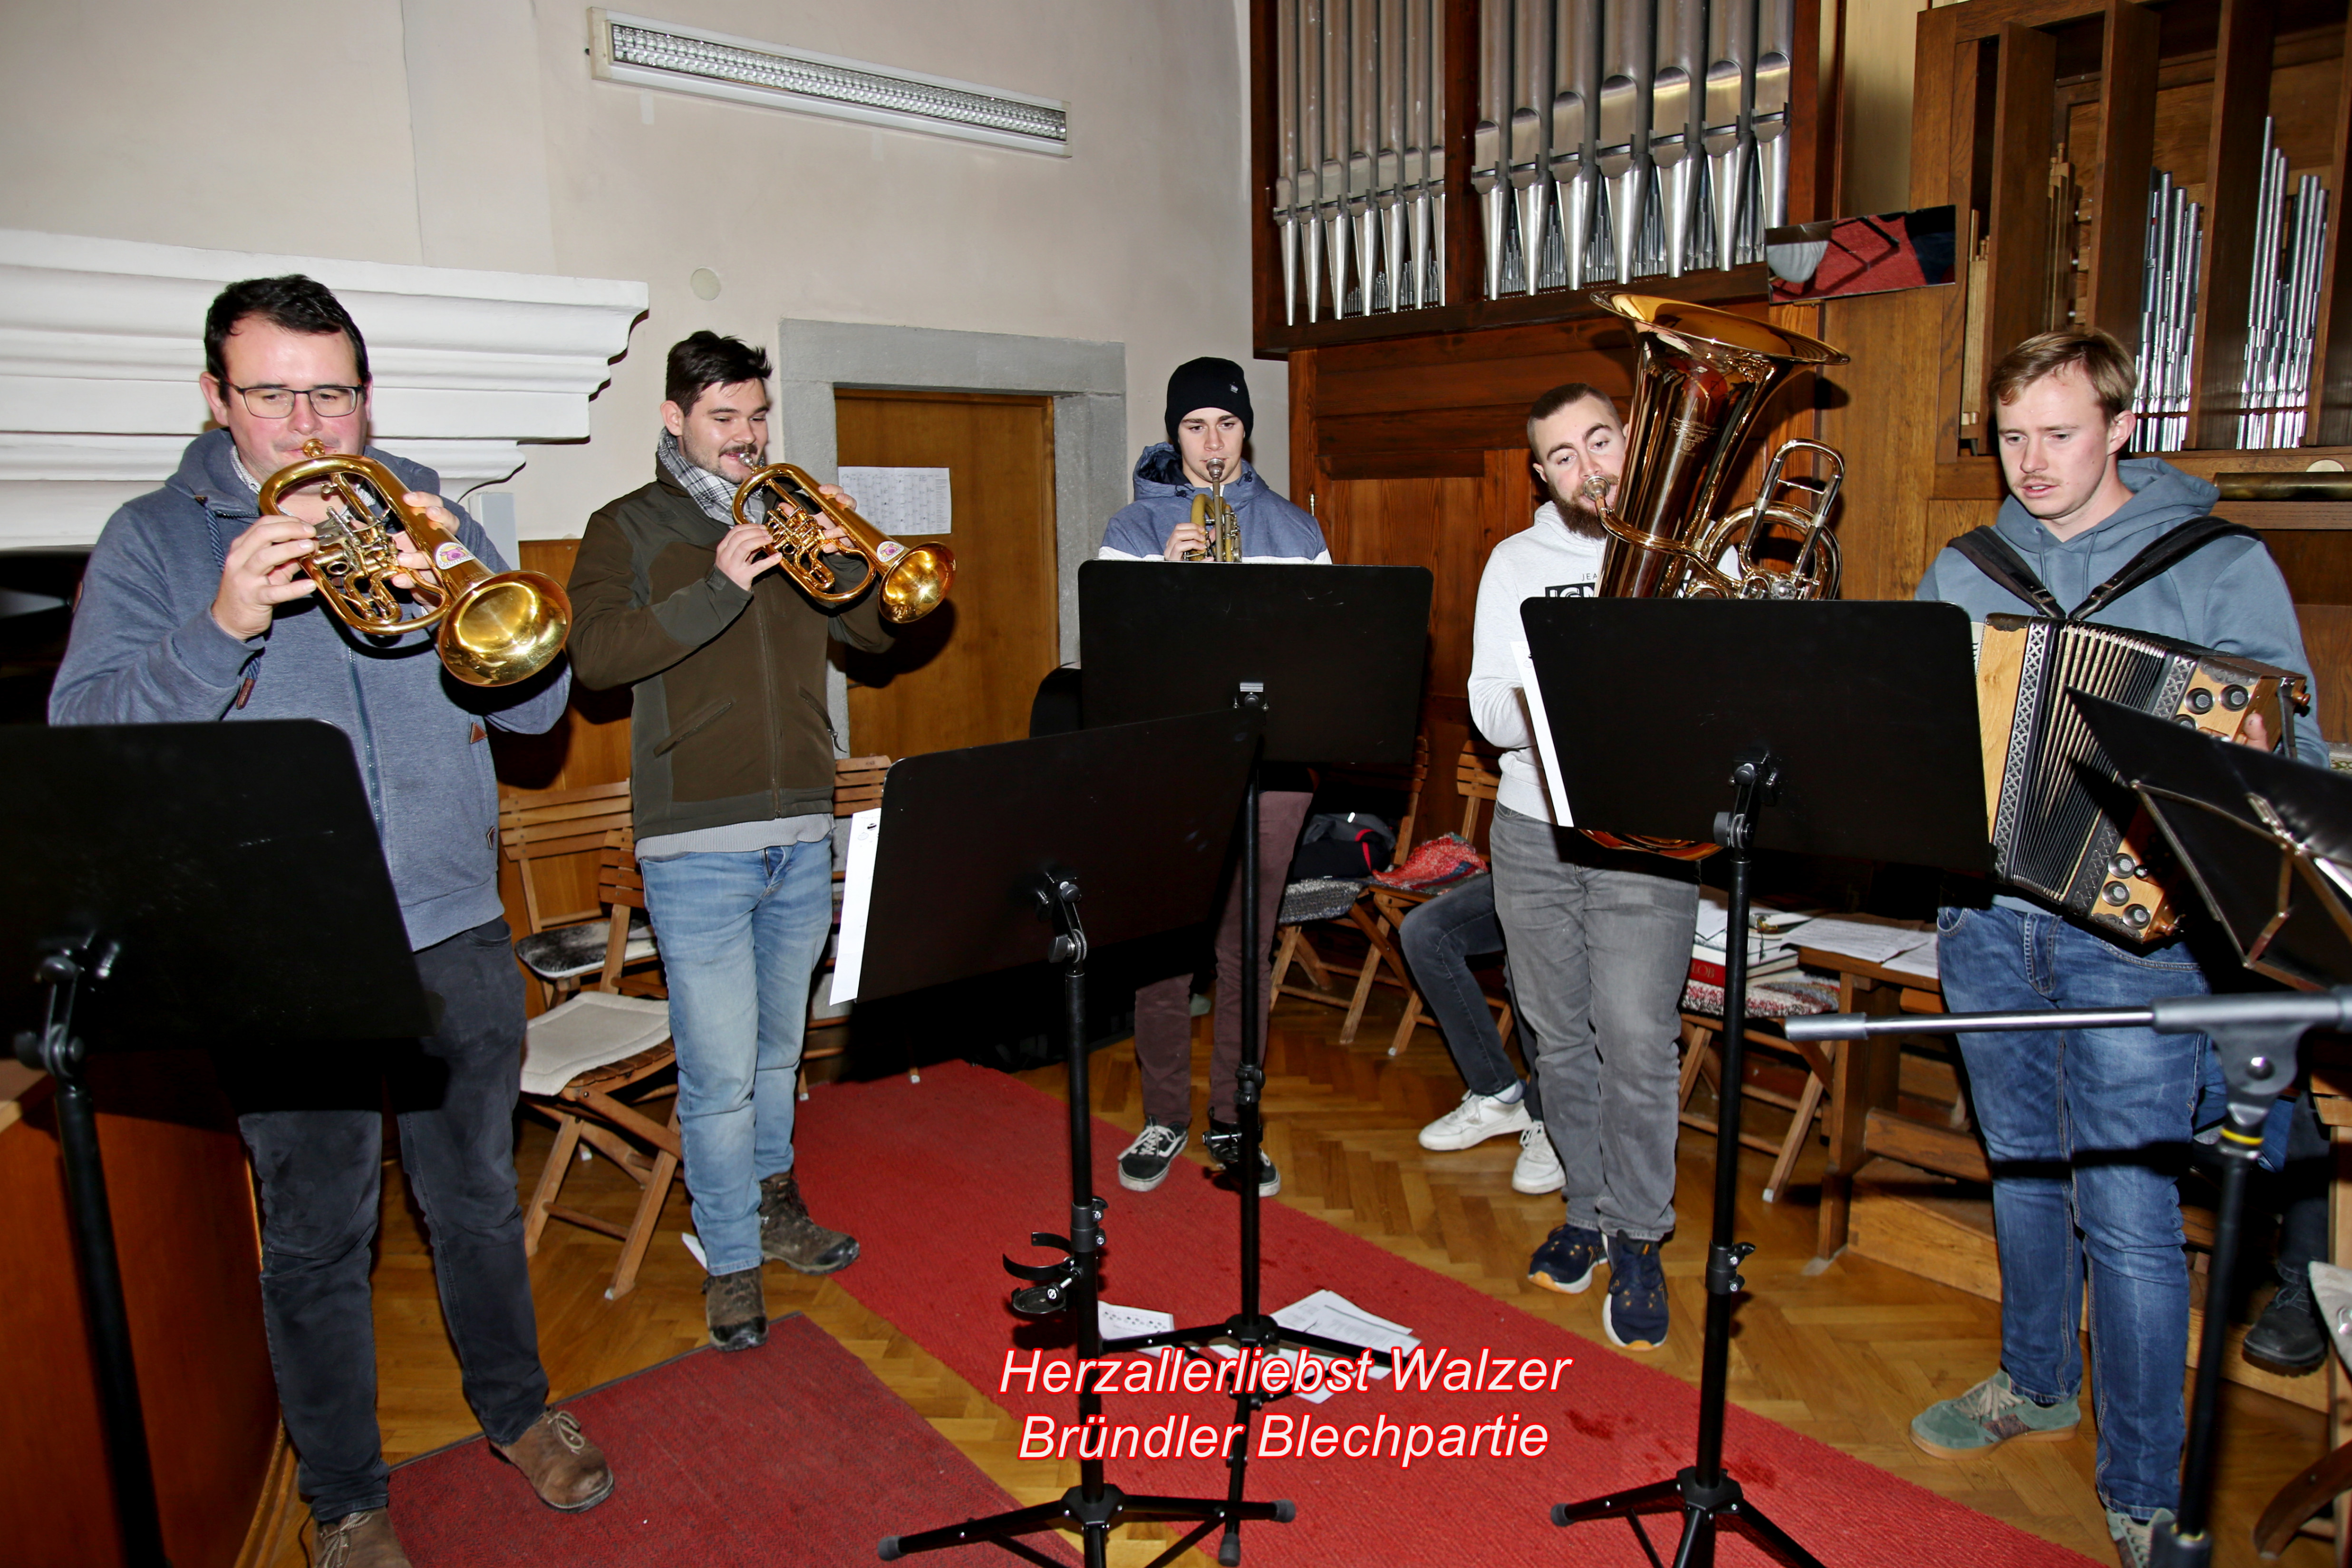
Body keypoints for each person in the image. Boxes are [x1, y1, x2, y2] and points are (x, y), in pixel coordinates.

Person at [48, 275, 610, 1568]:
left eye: (334, 395)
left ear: (367, 395)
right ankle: (347, 1500)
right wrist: (225, 625)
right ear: (216, 398)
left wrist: (459, 577)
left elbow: (537, 713)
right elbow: (84, 741)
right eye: (274, 394)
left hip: (455, 926)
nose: (309, 427)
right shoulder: (157, 540)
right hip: (282, 949)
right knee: (317, 1241)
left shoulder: (421, 505)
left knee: (477, 1198)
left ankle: (518, 1412)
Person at [1908, 328, 2324, 1568]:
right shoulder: (1967, 566)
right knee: (2023, 1169)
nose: (2030, 462)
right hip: (1989, 919)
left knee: (2129, 1212)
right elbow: (1918, 732)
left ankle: (2143, 1489)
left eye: (2059, 433)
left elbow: (2287, 766)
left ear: (2121, 428)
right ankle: (2035, 1381)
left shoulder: (2216, 564)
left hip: (2136, 942)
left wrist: (2233, 749)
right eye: (2011, 437)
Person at [568, 332, 890, 1353]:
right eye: (723, 418)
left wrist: (852, 556)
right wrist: (718, 582)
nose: (746, 436)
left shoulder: (790, 517)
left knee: (777, 1051)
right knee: (717, 1074)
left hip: (800, 823)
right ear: (675, 418)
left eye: (756, 416)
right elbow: (595, 657)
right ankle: (732, 1256)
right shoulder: (625, 526)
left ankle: (774, 1206)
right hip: (696, 839)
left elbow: (879, 638)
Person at [1469, 381, 1700, 1352]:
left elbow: (1726, 692)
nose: (1587, 468)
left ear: (1632, 441)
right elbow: (1488, 711)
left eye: (1598, 441)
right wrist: (1570, 689)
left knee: (1638, 1039)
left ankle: (1640, 1233)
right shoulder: (1514, 562)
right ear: (1541, 473)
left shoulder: (1696, 549)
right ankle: (1587, 1208)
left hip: (1647, 835)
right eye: (1562, 456)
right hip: (1533, 829)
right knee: (1557, 1036)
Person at [1101, 357, 1330, 1198]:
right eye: (1194, 426)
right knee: (1164, 951)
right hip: (1168, 772)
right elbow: (1117, 664)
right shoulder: (1132, 529)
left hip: (1271, 769)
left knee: (1245, 951)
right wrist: (1162, 581)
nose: (1211, 442)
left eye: (1226, 424)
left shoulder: (1296, 530)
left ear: (1245, 432)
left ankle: (1237, 1119)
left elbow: (1321, 658)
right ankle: (1164, 1114)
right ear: (1174, 434)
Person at [1400, 875, 1562, 1194]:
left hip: (1591, 882)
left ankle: (1557, 1122)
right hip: (1522, 872)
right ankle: (1498, 1093)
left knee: (1526, 959)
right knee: (1424, 932)